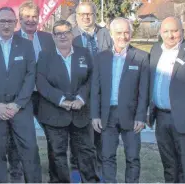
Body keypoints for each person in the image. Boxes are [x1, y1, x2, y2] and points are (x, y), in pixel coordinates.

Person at [0, 6, 42, 183]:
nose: (6, 25)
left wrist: (17, 103)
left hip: (20, 110)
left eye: (10, 21)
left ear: (15, 23)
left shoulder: (26, 46)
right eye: (2, 21)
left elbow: (30, 76)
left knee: (29, 151)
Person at [36, 19, 99, 183]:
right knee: (57, 154)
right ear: (53, 36)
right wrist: (61, 100)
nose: (63, 36)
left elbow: (92, 78)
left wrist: (81, 98)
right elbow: (41, 82)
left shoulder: (84, 53)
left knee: (86, 152)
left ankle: (90, 181)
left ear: (72, 34)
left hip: (81, 113)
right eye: (58, 33)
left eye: (66, 32)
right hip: (54, 113)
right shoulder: (44, 56)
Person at [90, 17, 149, 183]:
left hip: (131, 117)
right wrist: (95, 115)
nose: (122, 36)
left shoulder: (141, 57)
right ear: (111, 34)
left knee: (132, 158)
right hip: (107, 116)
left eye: (126, 32)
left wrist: (141, 117)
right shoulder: (101, 57)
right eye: (118, 33)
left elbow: (144, 91)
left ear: (131, 33)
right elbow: (96, 89)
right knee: (107, 156)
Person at [148, 16, 185, 183]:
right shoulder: (155, 50)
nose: (170, 35)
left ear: (182, 31)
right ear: (160, 33)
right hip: (161, 117)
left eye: (174, 31)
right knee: (169, 166)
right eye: (166, 31)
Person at [4, 1, 56, 182]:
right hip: (20, 97)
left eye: (34, 16)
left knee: (53, 135)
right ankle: (16, 174)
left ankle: (54, 173)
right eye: (26, 16)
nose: (31, 20)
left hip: (44, 97)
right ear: (20, 19)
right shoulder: (11, 37)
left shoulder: (49, 39)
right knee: (18, 137)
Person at [71, 1, 113, 174]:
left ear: (95, 15)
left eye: (89, 14)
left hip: (102, 92)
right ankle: (76, 169)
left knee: (100, 133)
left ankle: (99, 170)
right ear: (77, 16)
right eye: (82, 14)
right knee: (78, 134)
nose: (86, 17)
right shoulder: (70, 35)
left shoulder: (105, 34)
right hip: (78, 92)